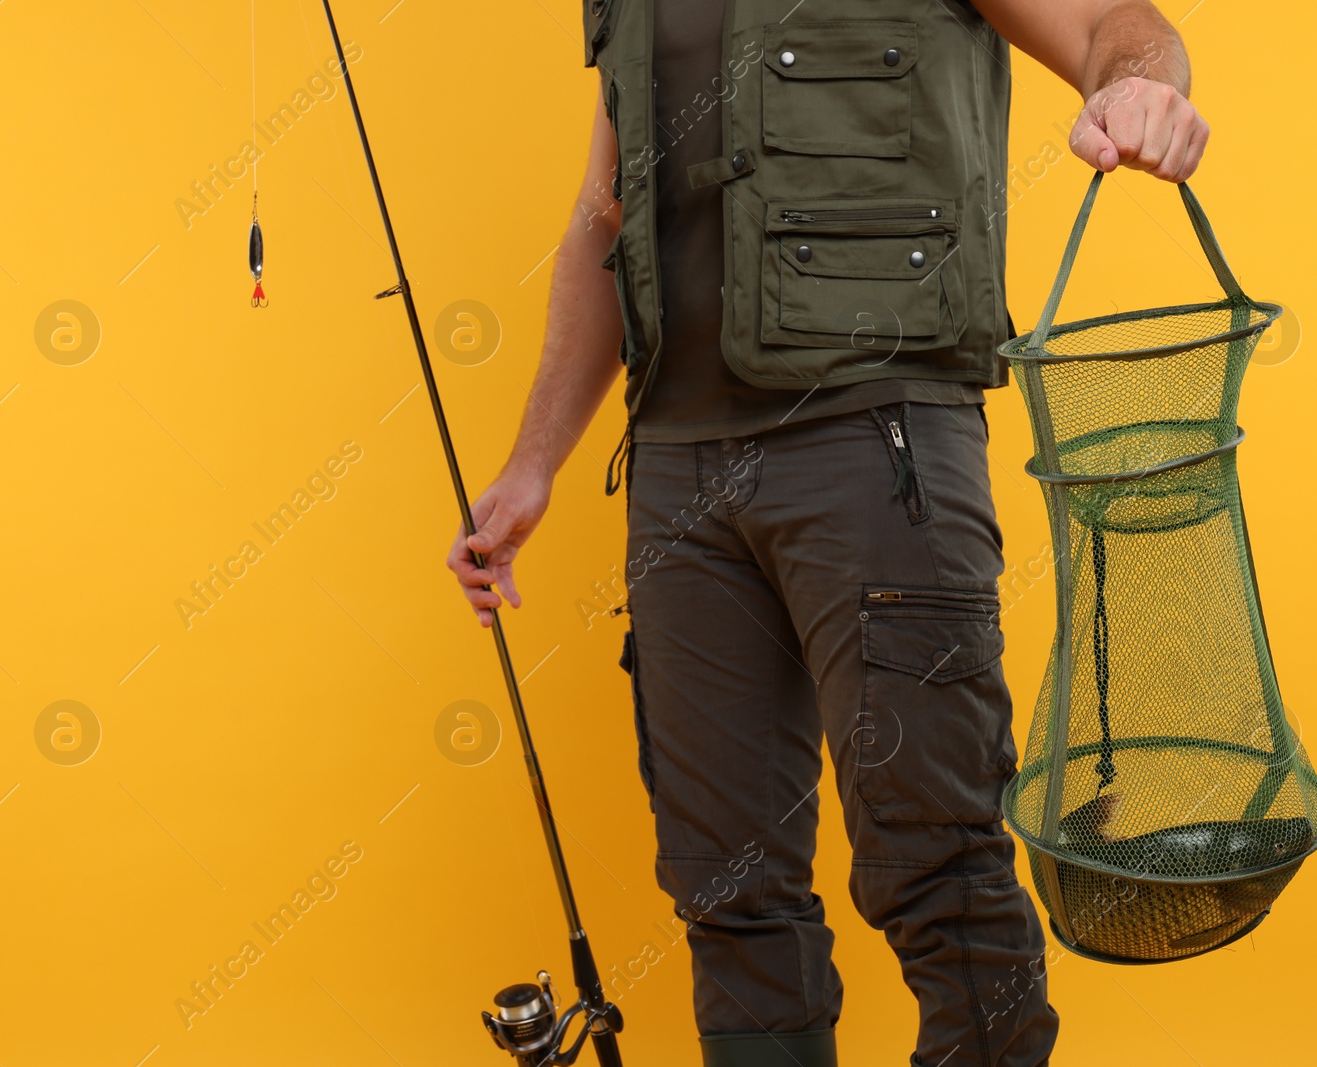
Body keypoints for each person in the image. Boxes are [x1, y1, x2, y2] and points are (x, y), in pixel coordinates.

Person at [449, 2, 1209, 1063]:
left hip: (875, 437)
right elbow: (601, 216)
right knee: (728, 889)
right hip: (678, 474)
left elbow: (1112, 26)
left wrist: (1136, 85)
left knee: (937, 862)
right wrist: (532, 462)